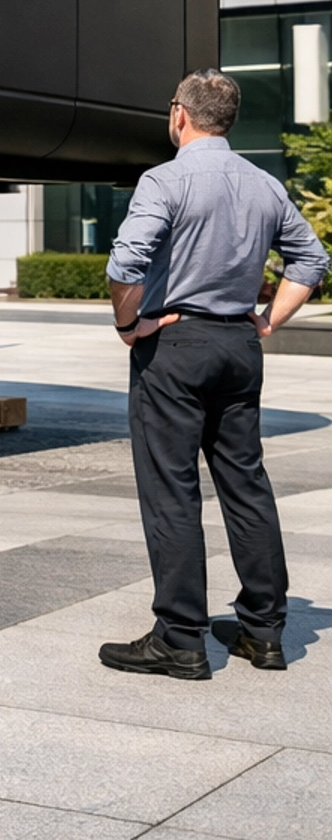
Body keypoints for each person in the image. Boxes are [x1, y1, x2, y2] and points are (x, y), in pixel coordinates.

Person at [101, 69, 328, 681]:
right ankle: (264, 631)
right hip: (237, 345)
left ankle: (180, 639)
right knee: (244, 481)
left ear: (180, 114)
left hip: (174, 345)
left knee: (172, 489)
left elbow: (126, 262)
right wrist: (267, 322)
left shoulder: (166, 180)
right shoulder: (262, 183)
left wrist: (129, 328)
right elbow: (311, 259)